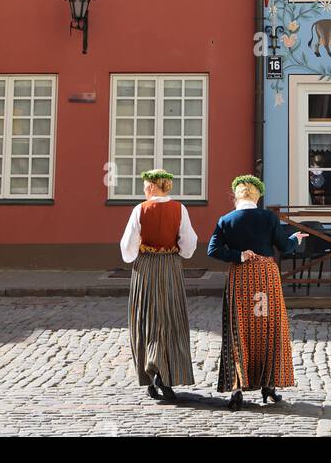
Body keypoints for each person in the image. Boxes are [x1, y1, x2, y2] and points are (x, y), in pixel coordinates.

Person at [207, 175, 304, 409]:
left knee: (239, 328)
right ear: (257, 196)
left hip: (240, 277)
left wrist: (238, 255)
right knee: (267, 326)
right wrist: (295, 239)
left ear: (236, 196)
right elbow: (283, 246)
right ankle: (268, 385)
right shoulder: (268, 217)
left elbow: (213, 250)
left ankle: (237, 387)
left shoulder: (226, 220)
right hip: (265, 277)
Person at [120, 169, 197, 401]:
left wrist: (134, 255)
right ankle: (168, 372)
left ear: (153, 187)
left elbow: (128, 246)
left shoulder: (140, 210)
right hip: (170, 266)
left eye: (145, 186)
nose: (144, 190)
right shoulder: (180, 209)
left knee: (147, 317)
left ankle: (151, 370)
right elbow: (189, 244)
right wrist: (178, 252)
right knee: (170, 316)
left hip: (146, 268)